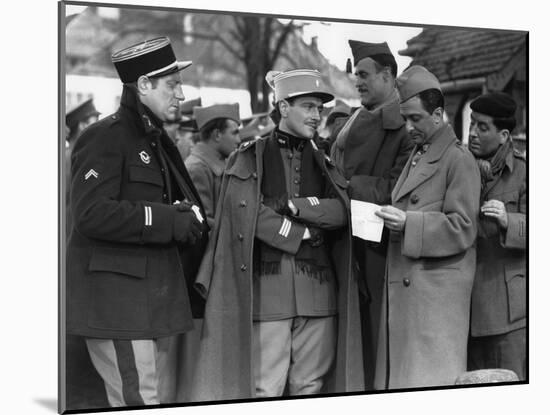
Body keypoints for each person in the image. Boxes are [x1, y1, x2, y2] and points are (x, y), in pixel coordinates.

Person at [190, 69, 364, 401]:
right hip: (268, 296)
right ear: (283, 107)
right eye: (308, 106)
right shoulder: (248, 157)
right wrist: (300, 234)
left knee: (310, 389)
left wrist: (295, 207)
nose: (316, 115)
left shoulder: (324, 160)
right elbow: (243, 211)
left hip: (319, 295)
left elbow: (343, 211)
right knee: (264, 389)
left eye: (319, 108)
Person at [66, 36, 209, 407]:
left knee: (145, 398)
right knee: (138, 401)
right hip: (117, 304)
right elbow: (90, 214)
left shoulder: (153, 139)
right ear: (144, 85)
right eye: (172, 84)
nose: (180, 93)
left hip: (142, 301)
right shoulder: (106, 137)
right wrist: (166, 220)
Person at [374, 65, 481, 389]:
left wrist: (408, 222)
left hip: (434, 307)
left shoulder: (458, 159)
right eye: (406, 119)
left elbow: (463, 227)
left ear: (438, 114)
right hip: (414, 299)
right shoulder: (420, 154)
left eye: (415, 119)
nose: (409, 127)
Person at [329, 40, 413, 389]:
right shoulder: (351, 122)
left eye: (363, 75)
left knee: (376, 338)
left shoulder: (407, 126)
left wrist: (344, 186)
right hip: (345, 242)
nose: (356, 81)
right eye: (355, 75)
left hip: (380, 249)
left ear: (388, 75)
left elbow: (398, 190)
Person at [466, 92, 526, 380]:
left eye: (482, 127)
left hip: (508, 315)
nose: (472, 133)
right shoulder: (460, 166)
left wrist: (508, 220)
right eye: (471, 124)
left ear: (503, 135)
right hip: (463, 308)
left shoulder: (525, 173)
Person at [185, 103, 241, 228]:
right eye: (234, 133)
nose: (239, 140)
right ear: (217, 135)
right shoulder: (197, 169)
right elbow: (203, 222)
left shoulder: (219, 164)